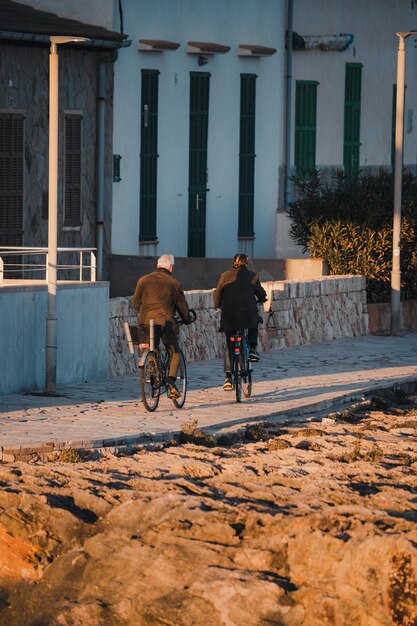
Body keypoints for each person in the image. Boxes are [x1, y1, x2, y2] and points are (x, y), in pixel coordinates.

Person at [132, 254, 191, 399]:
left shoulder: (143, 280)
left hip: (145, 322)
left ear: (158, 265)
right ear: (170, 267)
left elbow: (135, 304)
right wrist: (187, 318)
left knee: (153, 345)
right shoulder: (173, 283)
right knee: (174, 351)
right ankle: (171, 381)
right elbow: (181, 306)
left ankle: (151, 362)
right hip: (166, 323)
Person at [214, 253, 267, 391]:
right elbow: (261, 294)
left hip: (229, 316)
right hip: (247, 315)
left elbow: (217, 294)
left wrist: (218, 305)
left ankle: (228, 378)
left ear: (234, 263)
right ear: (246, 263)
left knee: (230, 346)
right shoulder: (253, 275)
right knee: (254, 321)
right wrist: (262, 299)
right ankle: (252, 349)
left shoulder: (225, 275)